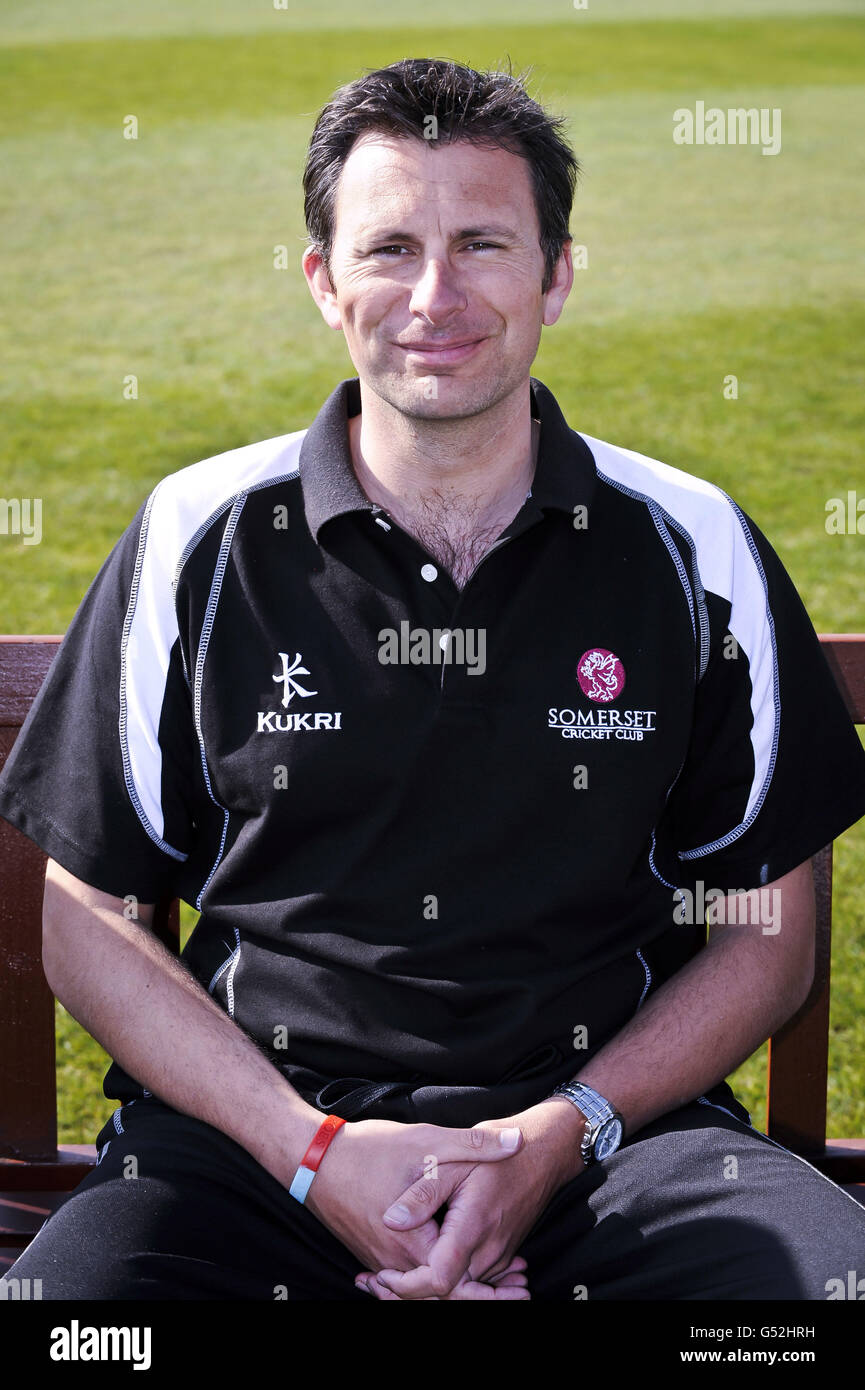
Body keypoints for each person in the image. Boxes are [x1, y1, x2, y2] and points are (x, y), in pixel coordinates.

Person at [1, 57, 864, 1303]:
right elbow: (89, 919)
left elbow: (765, 932)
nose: (435, 295)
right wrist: (316, 1156)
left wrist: (550, 1135)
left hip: (612, 1148)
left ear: (558, 273)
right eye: (390, 246)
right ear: (322, 281)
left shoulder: (694, 544)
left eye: (483, 243)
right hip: (254, 1153)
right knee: (72, 1334)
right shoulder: (199, 535)